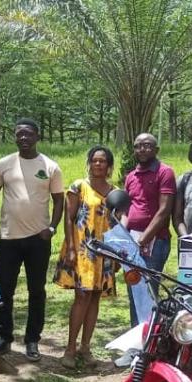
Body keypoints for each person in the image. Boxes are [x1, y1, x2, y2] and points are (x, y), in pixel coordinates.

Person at [0, 118, 64, 361]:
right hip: (9, 238)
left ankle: (32, 340)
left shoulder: (50, 166)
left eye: (28, 134)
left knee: (36, 290)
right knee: (4, 289)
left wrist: (51, 228)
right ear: (15, 137)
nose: (23, 138)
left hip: (38, 239)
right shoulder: (4, 164)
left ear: (37, 137)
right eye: (19, 134)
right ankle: (4, 336)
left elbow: (59, 200)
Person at [53, 145, 118, 369]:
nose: (98, 164)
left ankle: (86, 347)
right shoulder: (78, 187)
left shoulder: (114, 192)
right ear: (89, 163)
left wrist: (116, 255)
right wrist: (70, 248)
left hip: (104, 251)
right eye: (94, 160)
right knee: (81, 297)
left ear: (109, 166)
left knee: (95, 298)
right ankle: (70, 349)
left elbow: (117, 224)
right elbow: (69, 219)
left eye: (103, 161)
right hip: (81, 250)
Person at [123, 133, 176, 326]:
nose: (142, 149)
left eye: (147, 145)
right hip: (132, 241)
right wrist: (123, 237)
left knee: (149, 291)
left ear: (156, 150)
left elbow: (164, 211)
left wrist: (142, 240)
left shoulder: (165, 172)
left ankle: (148, 342)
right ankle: (136, 337)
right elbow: (127, 210)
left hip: (155, 241)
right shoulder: (131, 176)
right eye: (138, 146)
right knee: (134, 290)